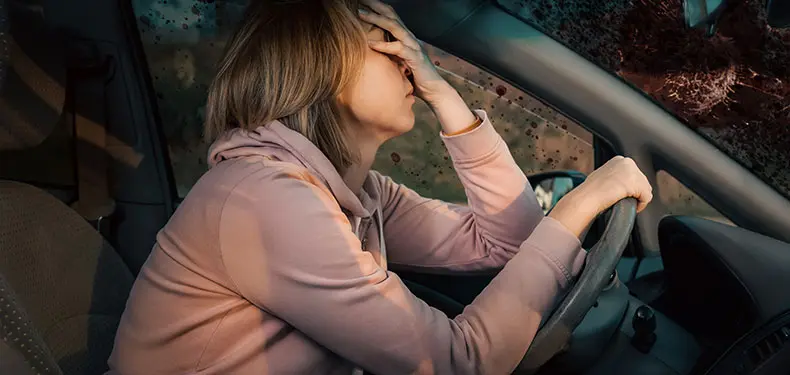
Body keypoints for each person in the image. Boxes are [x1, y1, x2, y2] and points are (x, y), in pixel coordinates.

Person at [108, 0, 653, 374]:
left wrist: (449, 102)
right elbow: (454, 363)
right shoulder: (261, 198)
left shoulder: (356, 194)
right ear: (320, 64)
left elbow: (506, 244)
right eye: (388, 43)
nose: (412, 61)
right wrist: (579, 204)